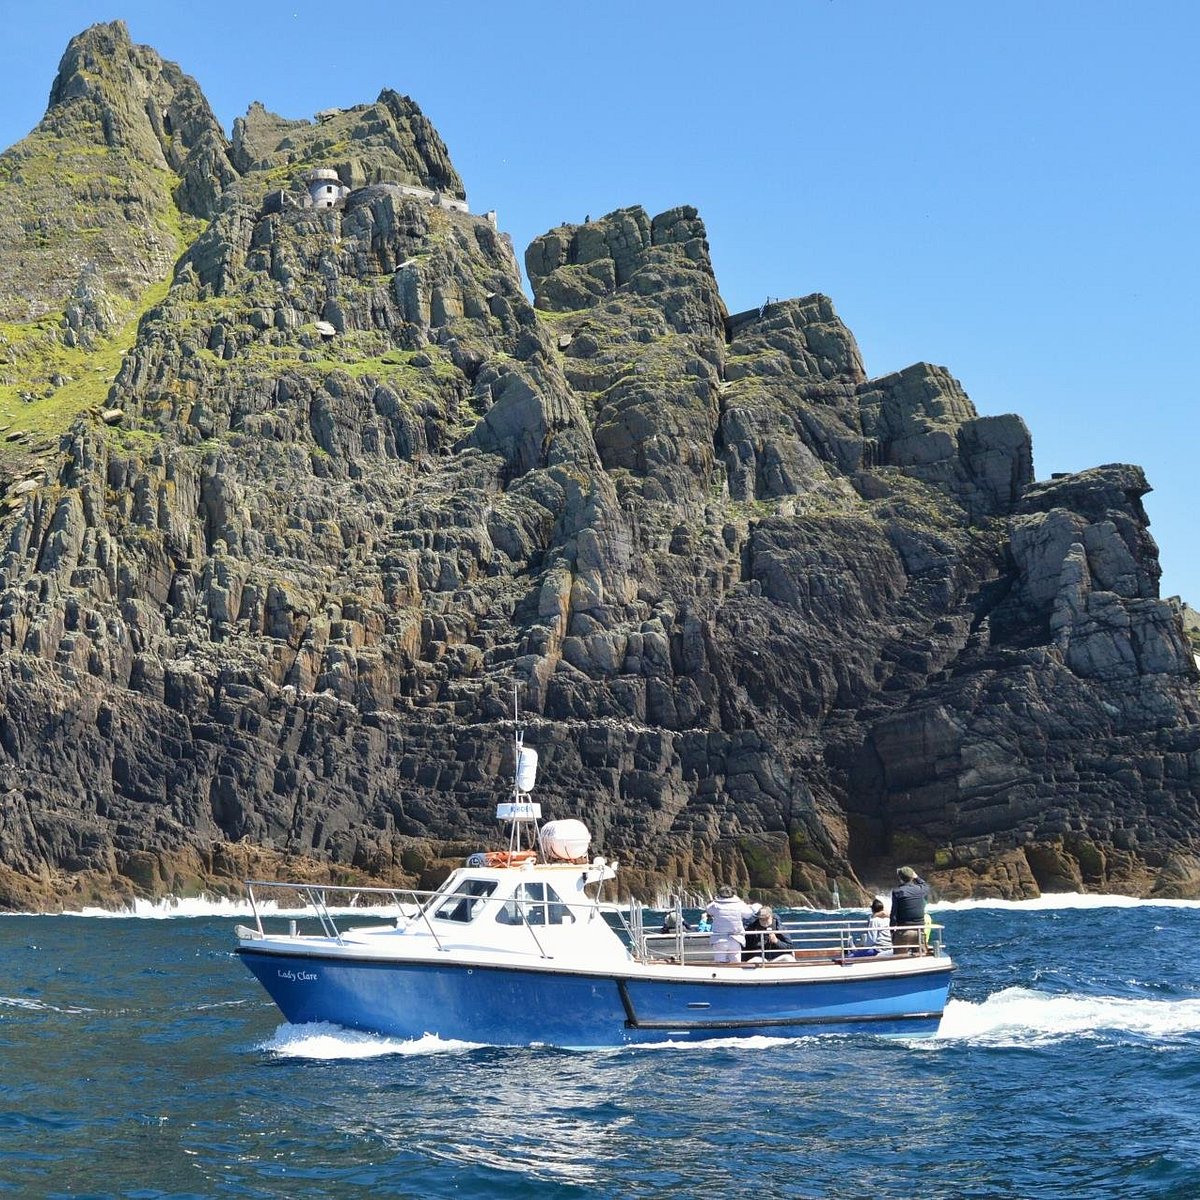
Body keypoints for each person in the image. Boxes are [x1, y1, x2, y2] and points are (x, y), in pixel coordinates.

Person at [705, 885, 757, 964]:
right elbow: (748, 914)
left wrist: (713, 901)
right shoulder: (739, 904)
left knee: (720, 963)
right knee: (736, 963)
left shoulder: (715, 905)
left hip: (719, 938)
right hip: (735, 938)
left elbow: (708, 910)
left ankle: (720, 975)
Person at [890, 866, 930, 952]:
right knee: (921, 958)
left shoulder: (897, 892)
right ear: (912, 877)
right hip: (920, 931)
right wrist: (917, 877)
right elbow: (926, 885)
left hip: (904, 931)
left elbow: (894, 914)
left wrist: (892, 931)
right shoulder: (920, 889)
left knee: (899, 958)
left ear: (900, 878)